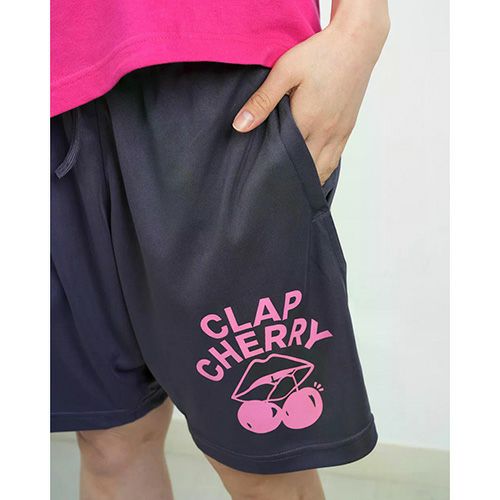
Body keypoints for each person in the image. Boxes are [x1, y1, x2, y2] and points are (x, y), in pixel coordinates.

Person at [51, 0, 390, 498]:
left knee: (266, 468)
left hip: (224, 70)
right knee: (109, 443)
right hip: (55, 88)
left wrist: (361, 27)